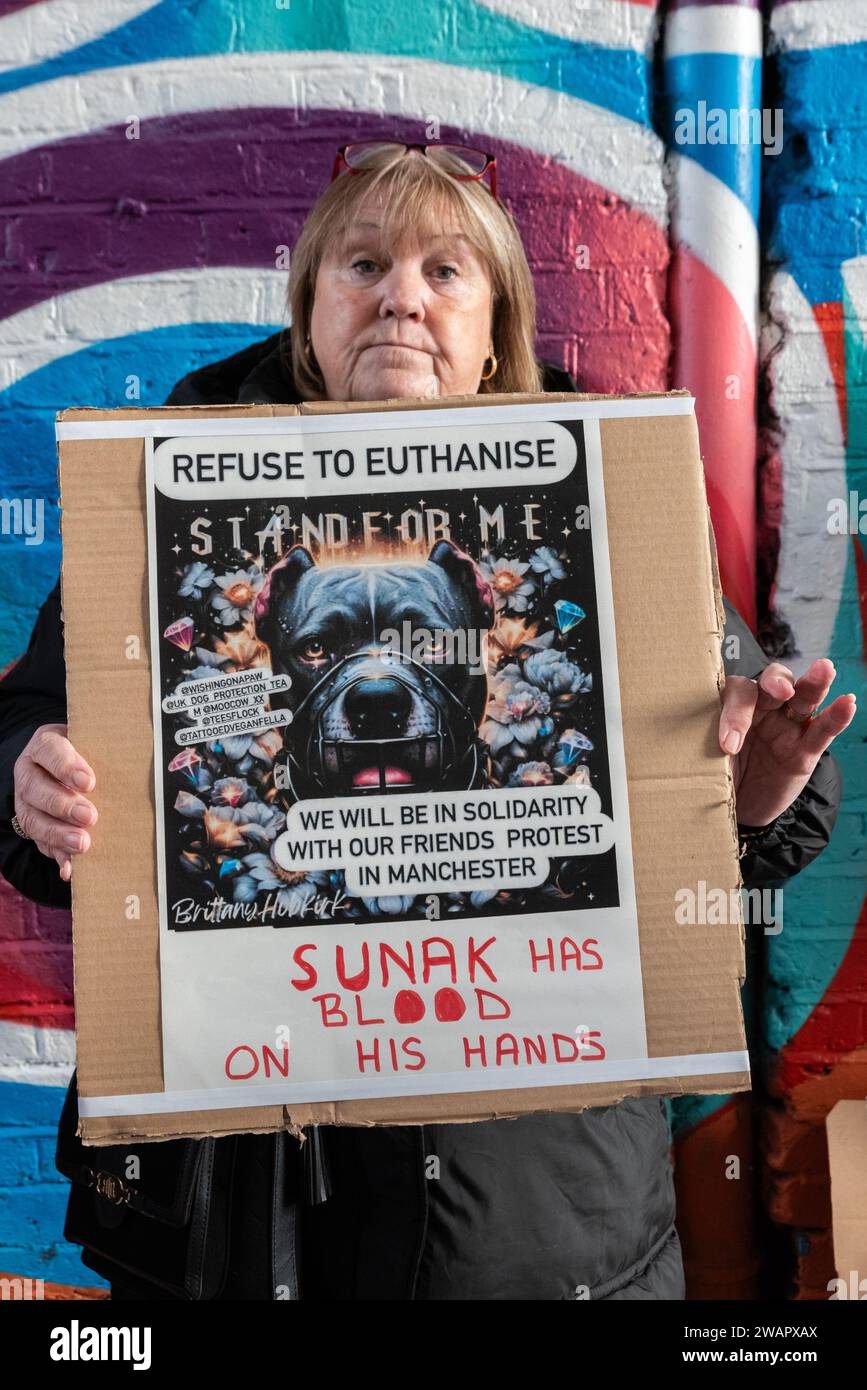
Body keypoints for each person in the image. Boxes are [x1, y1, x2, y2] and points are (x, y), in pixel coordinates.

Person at [0, 142, 852, 1300]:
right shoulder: (169, 499)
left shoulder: (599, 503)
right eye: (364, 262)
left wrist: (745, 798)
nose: (402, 292)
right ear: (311, 310)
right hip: (253, 1226)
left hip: (547, 1225)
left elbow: (767, 789)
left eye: (445, 270)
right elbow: (28, 730)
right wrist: (28, 779)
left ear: (496, 327)